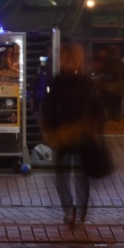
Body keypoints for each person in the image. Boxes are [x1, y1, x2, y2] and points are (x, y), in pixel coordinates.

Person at [41, 43, 105, 228]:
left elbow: (48, 107)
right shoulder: (85, 82)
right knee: (80, 175)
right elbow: (96, 108)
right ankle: (79, 210)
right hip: (82, 133)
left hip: (63, 133)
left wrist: (49, 129)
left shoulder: (58, 81)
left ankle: (70, 210)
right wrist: (95, 128)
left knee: (63, 174)